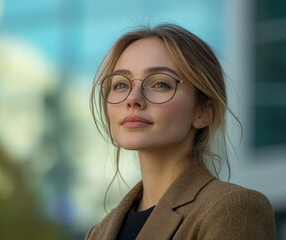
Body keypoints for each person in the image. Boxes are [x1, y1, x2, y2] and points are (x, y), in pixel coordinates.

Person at [86, 23, 275, 240]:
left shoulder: (232, 208)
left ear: (204, 111)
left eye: (159, 84)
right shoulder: (98, 233)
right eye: (120, 84)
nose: (133, 99)